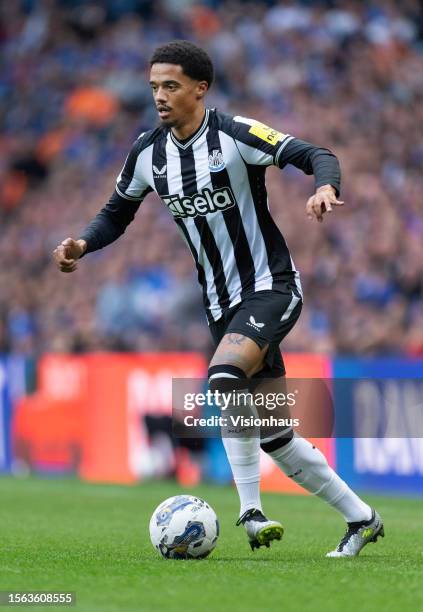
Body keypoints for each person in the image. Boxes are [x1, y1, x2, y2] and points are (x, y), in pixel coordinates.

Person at [53, 40, 384, 557]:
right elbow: (117, 212)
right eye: (154, 87)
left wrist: (324, 187)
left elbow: (316, 154)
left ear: (199, 89)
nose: (160, 96)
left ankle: (249, 512)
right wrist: (83, 243)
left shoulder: (235, 135)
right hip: (220, 305)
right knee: (274, 434)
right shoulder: (148, 153)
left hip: (270, 286)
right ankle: (361, 518)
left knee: (223, 378)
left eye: (171, 86)